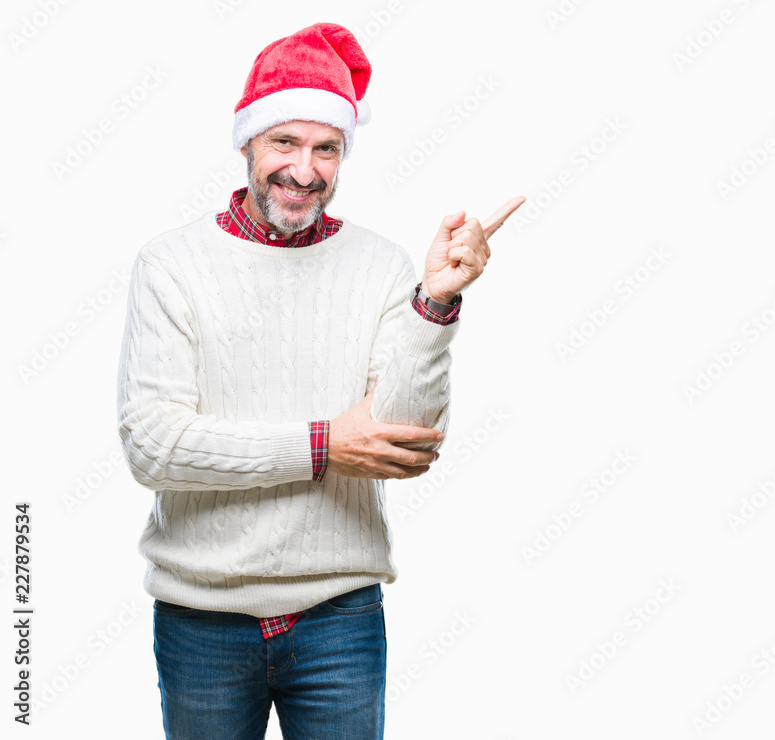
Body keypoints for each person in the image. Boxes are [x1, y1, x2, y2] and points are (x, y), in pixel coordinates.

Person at [115, 22, 523, 739]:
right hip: (202, 620)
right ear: (247, 142)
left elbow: (406, 441)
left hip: (340, 617)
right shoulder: (171, 265)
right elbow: (155, 447)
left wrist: (434, 303)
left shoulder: (380, 267)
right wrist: (325, 444)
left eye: (326, 149)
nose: (304, 171)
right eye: (284, 143)